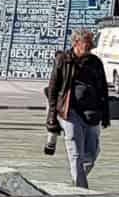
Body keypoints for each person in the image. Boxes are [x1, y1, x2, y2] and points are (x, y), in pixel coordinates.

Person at [44, 30, 108, 187]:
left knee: (92, 154)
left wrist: (106, 113)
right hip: (69, 111)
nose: (91, 45)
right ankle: (81, 189)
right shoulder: (63, 59)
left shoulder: (95, 62)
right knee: (76, 153)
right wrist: (52, 115)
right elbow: (53, 88)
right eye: (88, 42)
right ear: (76, 43)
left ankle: (76, 179)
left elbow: (103, 88)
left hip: (92, 113)